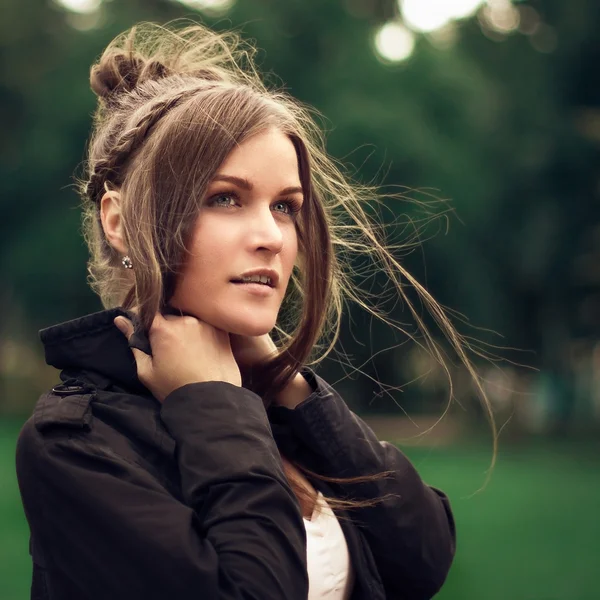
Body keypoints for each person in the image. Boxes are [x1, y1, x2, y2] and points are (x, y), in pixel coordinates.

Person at [14, 21, 490, 600]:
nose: (271, 236)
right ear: (119, 222)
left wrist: (286, 386)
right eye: (225, 198)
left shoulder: (278, 405)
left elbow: (423, 558)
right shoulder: (75, 443)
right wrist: (211, 405)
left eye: (286, 207)